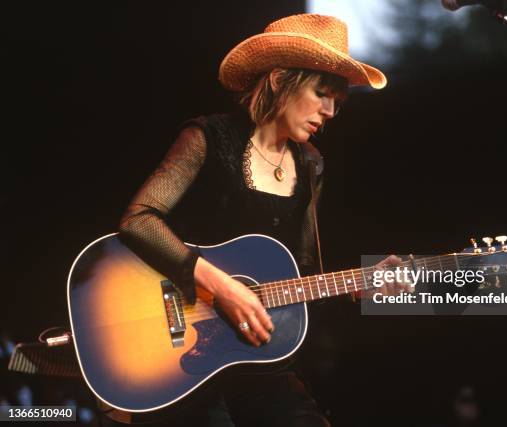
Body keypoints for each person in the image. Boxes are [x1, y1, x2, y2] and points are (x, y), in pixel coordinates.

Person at [117, 13, 387, 427]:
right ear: (280, 80)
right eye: (321, 94)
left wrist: (360, 285)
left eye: (338, 101)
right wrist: (221, 286)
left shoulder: (312, 163)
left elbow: (304, 272)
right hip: (179, 360)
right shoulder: (208, 137)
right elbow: (138, 220)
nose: (331, 111)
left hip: (260, 361)